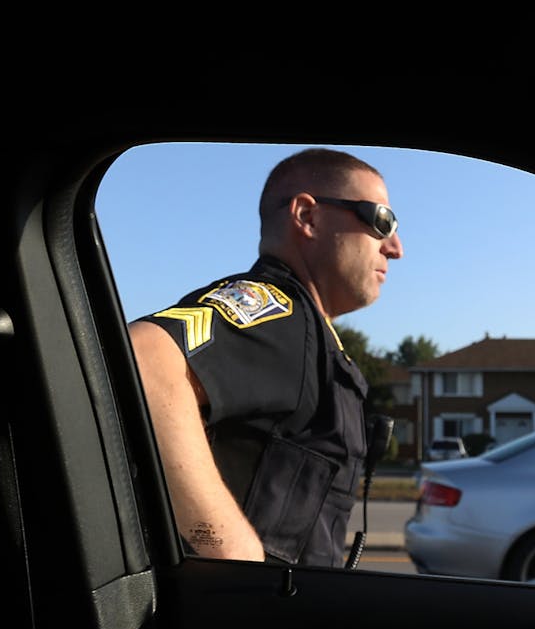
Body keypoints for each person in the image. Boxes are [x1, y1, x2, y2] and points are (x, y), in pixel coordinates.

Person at [128, 147, 402, 566]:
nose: (394, 247)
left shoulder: (312, 336)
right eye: (382, 221)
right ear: (307, 217)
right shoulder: (279, 315)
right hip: (240, 620)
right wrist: (228, 548)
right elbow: (145, 361)